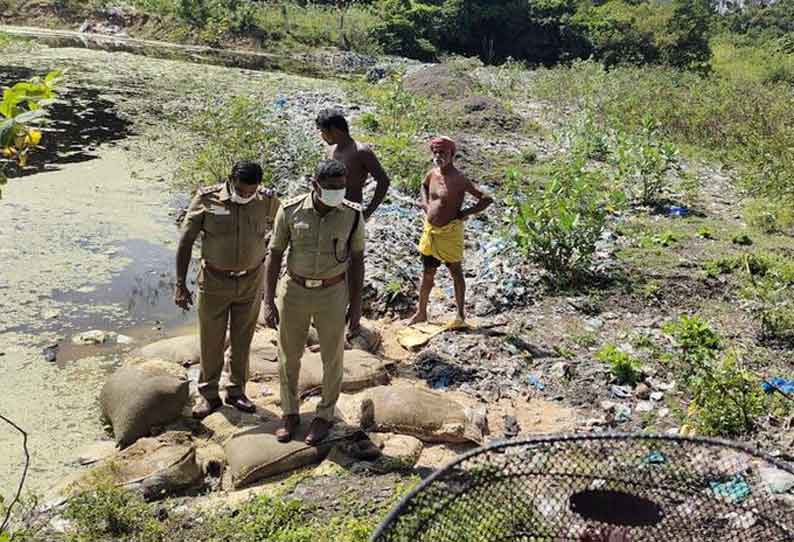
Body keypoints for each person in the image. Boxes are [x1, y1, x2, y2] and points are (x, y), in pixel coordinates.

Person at [262, 159, 365, 445]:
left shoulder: (353, 215)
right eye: (331, 187)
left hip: (333, 294)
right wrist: (268, 300)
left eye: (341, 187)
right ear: (315, 185)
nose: (337, 192)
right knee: (288, 356)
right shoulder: (291, 210)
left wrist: (356, 307)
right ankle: (290, 412)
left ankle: (324, 415)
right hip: (294, 291)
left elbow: (358, 261)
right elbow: (275, 255)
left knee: (332, 358)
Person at [174, 161, 280, 419]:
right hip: (214, 281)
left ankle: (236, 391)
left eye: (251, 192)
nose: (246, 196)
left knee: (243, 340)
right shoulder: (207, 199)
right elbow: (186, 241)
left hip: (251, 281)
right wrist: (180, 284)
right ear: (230, 180)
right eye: (242, 191)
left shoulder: (266, 200)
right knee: (211, 340)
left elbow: (281, 232)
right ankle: (208, 394)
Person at [408, 136, 493, 327]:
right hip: (431, 232)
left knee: (456, 272)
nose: (438, 156)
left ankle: (460, 315)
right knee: (427, 272)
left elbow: (486, 198)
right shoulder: (432, 174)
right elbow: (423, 186)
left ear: (452, 155)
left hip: (450, 232)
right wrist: (425, 204)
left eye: (443, 153)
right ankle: (421, 312)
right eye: (435, 152)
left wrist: (466, 213)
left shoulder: (458, 179)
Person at [315, 108, 391, 220]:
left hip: (349, 212)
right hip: (327, 211)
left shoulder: (361, 152)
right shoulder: (331, 150)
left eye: (322, 131)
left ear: (333, 130)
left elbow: (383, 181)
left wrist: (368, 212)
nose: (321, 135)